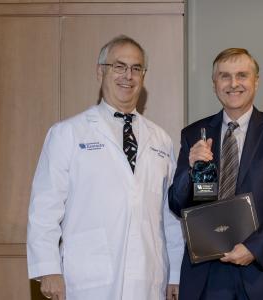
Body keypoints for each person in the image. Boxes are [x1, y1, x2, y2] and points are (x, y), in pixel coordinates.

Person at [27, 35, 183, 300]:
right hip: (88, 277)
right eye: (119, 66)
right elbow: (45, 206)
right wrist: (48, 268)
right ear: (100, 71)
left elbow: (170, 216)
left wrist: (177, 274)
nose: (128, 76)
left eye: (136, 68)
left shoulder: (161, 140)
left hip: (149, 275)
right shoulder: (68, 133)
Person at [169, 48, 263, 300]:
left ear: (256, 81)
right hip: (208, 274)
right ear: (214, 85)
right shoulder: (194, 134)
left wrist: (253, 248)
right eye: (224, 76)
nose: (233, 84)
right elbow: (178, 205)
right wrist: (191, 171)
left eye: (242, 75)